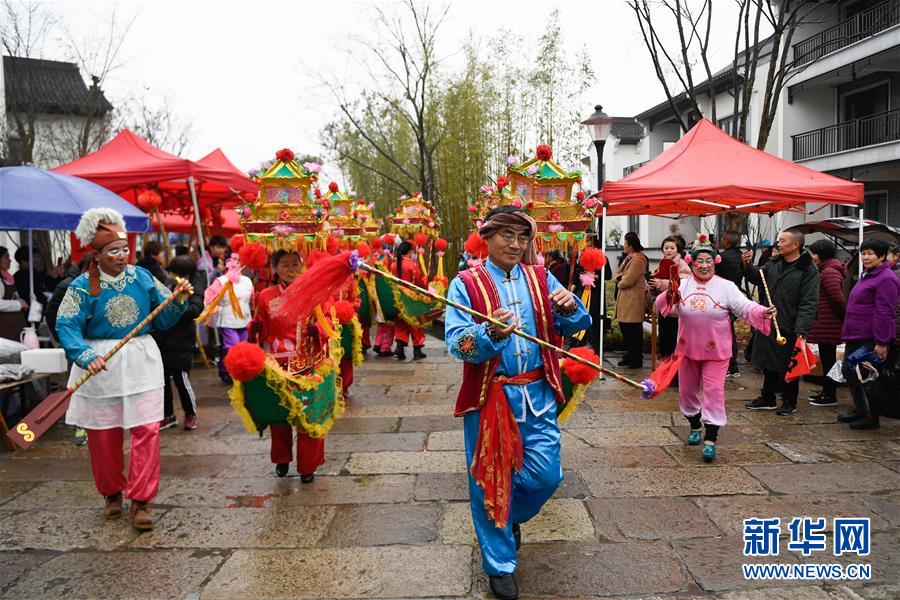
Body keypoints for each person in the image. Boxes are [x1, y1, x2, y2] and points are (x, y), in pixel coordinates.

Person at [445, 206, 591, 600]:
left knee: (548, 477)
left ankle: (507, 520)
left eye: (522, 237)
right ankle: (499, 564)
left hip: (539, 394)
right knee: (489, 482)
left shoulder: (541, 278)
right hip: (490, 397)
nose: (514, 244)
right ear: (487, 237)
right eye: (506, 235)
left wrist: (570, 308)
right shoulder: (465, 284)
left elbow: (578, 326)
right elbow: (457, 343)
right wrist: (488, 331)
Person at [55, 208, 191, 530]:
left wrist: (178, 300)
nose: (121, 256)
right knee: (103, 435)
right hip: (100, 362)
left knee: (146, 430)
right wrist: (84, 355)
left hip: (140, 359)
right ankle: (111, 492)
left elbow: (164, 318)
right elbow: (66, 325)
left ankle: (142, 500)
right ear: (97, 254)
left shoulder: (143, 277)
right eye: (113, 251)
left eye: (124, 249)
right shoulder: (79, 286)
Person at [655, 234, 775, 462]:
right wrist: (668, 291)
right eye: (699, 261)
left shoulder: (726, 287)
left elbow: (745, 306)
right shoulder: (682, 283)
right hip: (687, 350)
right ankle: (694, 425)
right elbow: (662, 305)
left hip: (716, 352)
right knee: (687, 391)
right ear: (692, 262)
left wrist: (762, 312)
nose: (704, 265)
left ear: (715, 262)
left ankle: (711, 438)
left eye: (708, 261)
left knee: (713, 393)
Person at [252, 250, 325, 481]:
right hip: (277, 364)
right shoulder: (265, 296)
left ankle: (308, 467)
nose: (291, 268)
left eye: (295, 263)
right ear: (275, 268)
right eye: (285, 264)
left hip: (308, 363)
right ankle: (282, 459)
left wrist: (319, 331)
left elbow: (328, 323)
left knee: (308, 415)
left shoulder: (313, 292)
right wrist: (253, 330)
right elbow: (260, 327)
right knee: (280, 415)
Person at [742, 230, 819, 416]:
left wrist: (802, 328)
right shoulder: (774, 263)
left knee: (789, 364)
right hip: (769, 319)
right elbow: (759, 278)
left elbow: (809, 301)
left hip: (790, 323)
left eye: (783, 241)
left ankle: (789, 400)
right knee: (768, 361)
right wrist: (746, 265)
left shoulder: (807, 269)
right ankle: (767, 397)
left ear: (795, 245)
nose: (779, 243)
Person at [837, 239, 900, 429]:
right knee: (850, 371)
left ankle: (872, 416)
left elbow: (885, 311)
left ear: (881, 256)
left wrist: (881, 342)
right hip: (855, 334)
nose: (865, 257)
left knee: (867, 377)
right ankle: (860, 409)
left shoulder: (887, 278)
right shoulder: (867, 274)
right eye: (863, 253)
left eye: (871, 253)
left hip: (871, 337)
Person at [155, 256, 206, 431]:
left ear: (185, 276)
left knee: (182, 380)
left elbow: (195, 309)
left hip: (182, 343)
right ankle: (168, 415)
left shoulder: (193, 291)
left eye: (173, 273)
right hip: (163, 341)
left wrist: (176, 307)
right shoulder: (169, 286)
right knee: (162, 382)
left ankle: (190, 414)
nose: (169, 276)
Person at [806, 239, 847, 407]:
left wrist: (845, 318)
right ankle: (827, 392)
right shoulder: (827, 269)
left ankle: (829, 395)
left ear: (821, 254)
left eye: (813, 253)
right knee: (827, 358)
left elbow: (837, 299)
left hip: (829, 323)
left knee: (828, 359)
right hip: (826, 323)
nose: (811, 257)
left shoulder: (829, 271)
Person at [204, 253, 253, 384]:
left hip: (245, 320)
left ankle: (239, 372)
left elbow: (251, 298)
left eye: (238, 261)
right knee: (231, 347)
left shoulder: (247, 280)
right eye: (233, 261)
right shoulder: (221, 281)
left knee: (243, 347)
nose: (236, 264)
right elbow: (210, 297)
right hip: (228, 321)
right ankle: (227, 371)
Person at [650, 236, 690, 360]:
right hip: (664, 306)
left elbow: (682, 283)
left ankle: (674, 370)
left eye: (672, 248)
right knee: (663, 338)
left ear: (678, 249)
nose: (668, 250)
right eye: (666, 247)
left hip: (676, 309)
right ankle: (665, 367)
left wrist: (661, 283)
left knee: (673, 339)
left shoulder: (682, 264)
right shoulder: (663, 262)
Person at [613, 231, 648, 369]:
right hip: (626, 299)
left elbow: (626, 281)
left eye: (625, 243)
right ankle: (629, 355)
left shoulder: (638, 260)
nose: (624, 246)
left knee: (633, 331)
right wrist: (619, 278)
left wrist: (619, 280)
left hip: (633, 300)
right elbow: (616, 274)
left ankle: (636, 358)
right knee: (626, 330)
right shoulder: (629, 258)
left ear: (631, 245)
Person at [715, 231, 745, 377]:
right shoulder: (740, 256)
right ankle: (732, 366)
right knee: (729, 331)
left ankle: (730, 366)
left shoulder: (723, 257)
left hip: (723, 297)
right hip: (737, 296)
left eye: (723, 239)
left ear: (726, 240)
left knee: (726, 333)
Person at [392, 241, 427, 361]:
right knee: (415, 323)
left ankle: (399, 349)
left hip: (397, 298)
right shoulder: (412, 265)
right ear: (409, 251)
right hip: (411, 298)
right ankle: (417, 350)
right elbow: (418, 282)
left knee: (401, 323)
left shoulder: (393, 264)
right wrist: (425, 288)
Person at [0, 246, 28, 342]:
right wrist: (18, 304)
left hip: (15, 327)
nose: (10, 260)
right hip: (5, 329)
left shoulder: (8, 277)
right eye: (6, 257)